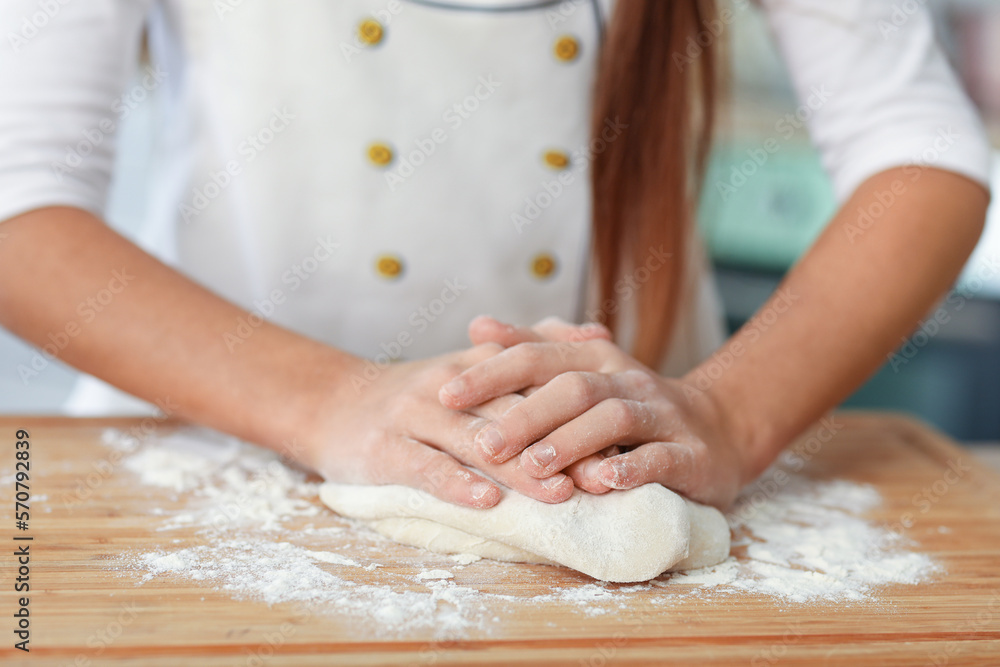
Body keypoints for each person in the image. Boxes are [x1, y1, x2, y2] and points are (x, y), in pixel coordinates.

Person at [0, 0, 991, 511]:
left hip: (623, 469)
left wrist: (731, 412)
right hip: (212, 449)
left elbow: (919, 152)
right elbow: (19, 195)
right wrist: (327, 402)